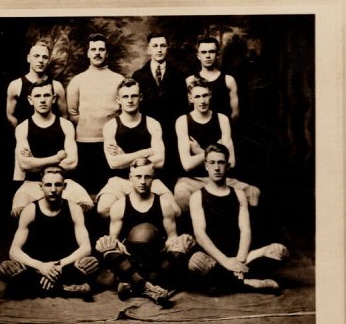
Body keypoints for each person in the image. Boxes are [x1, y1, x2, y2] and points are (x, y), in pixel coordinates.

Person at [187, 143, 289, 295]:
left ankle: (229, 283)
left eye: (221, 162)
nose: (216, 167)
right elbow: (200, 236)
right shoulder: (197, 197)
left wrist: (240, 260)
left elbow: (245, 230)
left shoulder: (239, 194)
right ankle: (248, 283)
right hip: (215, 258)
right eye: (212, 163)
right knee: (196, 262)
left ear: (227, 166)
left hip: (242, 256)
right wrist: (226, 262)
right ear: (206, 166)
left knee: (281, 251)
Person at [95, 158, 195, 306]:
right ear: (130, 178)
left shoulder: (164, 204)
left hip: (156, 257)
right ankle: (150, 287)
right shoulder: (119, 205)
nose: (143, 181)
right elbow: (113, 238)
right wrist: (115, 244)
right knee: (106, 247)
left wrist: (174, 243)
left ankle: (135, 284)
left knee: (182, 245)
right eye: (138, 176)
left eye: (147, 177)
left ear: (153, 178)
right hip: (131, 260)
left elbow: (172, 237)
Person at [0, 167, 100, 300]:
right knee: (6, 268)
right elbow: (14, 251)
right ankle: (64, 289)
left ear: (65, 186)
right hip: (35, 266)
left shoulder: (74, 209)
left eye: (58, 185)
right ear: (41, 186)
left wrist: (58, 265)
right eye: (48, 185)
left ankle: (32, 288)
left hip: (64, 266)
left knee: (91, 263)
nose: (53, 189)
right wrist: (41, 266)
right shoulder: (30, 210)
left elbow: (86, 248)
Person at [96, 78, 179, 218]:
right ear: (118, 99)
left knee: (175, 211)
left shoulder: (153, 124)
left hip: (150, 180)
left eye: (134, 96)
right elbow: (114, 163)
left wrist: (124, 157)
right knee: (103, 209)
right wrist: (145, 152)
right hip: (120, 181)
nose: (130, 100)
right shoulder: (111, 126)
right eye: (125, 96)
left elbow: (160, 161)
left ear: (140, 97)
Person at [173, 76, 259, 211]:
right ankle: (192, 231)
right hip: (193, 180)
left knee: (253, 191)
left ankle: (245, 230)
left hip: (222, 178)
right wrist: (216, 149)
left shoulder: (222, 119)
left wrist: (202, 152)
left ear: (210, 95)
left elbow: (231, 162)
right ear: (190, 98)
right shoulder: (183, 121)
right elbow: (187, 165)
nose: (202, 101)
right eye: (197, 96)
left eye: (205, 95)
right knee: (181, 194)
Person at [11, 79, 93, 217]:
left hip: (63, 182)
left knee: (86, 206)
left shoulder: (66, 125)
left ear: (54, 99)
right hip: (32, 182)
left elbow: (72, 163)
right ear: (30, 100)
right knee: (19, 210)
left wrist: (35, 161)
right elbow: (25, 165)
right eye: (38, 96)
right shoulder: (22, 127)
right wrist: (57, 158)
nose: (42, 100)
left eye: (46, 95)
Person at [66, 33, 125, 192]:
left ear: (107, 53)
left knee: (110, 190)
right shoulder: (77, 80)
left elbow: (123, 112)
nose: (97, 53)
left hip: (112, 144)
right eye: (93, 49)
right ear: (88, 53)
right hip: (85, 145)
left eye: (101, 49)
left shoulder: (118, 79)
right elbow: (72, 114)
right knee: (86, 190)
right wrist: (90, 127)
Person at [131, 32, 187, 186]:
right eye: (155, 46)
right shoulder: (138, 76)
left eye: (162, 45)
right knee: (147, 178)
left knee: (170, 179)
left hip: (171, 135)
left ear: (167, 48)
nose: (159, 49)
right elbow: (135, 108)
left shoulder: (178, 75)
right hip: (146, 136)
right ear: (149, 49)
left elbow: (183, 109)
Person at [6, 40, 67, 182]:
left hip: (52, 147)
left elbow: (64, 116)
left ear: (48, 60)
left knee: (53, 185)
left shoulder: (56, 87)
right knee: (24, 185)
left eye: (44, 57)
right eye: (37, 56)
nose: (41, 60)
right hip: (25, 147)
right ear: (29, 58)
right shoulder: (16, 85)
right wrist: (27, 135)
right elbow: (10, 115)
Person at [185, 36, 239, 120]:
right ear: (198, 56)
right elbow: (188, 111)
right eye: (203, 52)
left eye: (211, 52)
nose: (208, 56)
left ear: (217, 55)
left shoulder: (228, 80)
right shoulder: (190, 80)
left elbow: (235, 114)